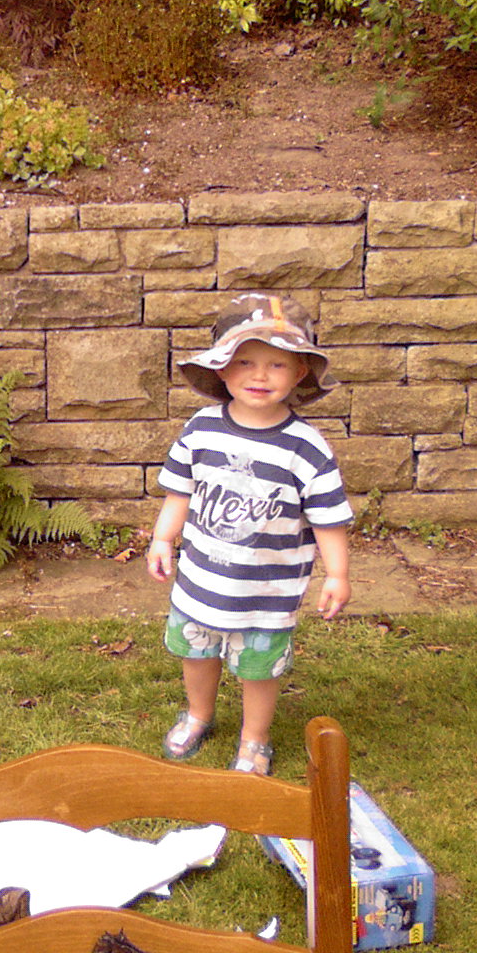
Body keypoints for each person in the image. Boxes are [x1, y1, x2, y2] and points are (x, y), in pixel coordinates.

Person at [146, 292, 353, 775]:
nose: (260, 376)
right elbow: (179, 491)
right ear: (221, 368)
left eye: (276, 365)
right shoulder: (200, 429)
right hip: (200, 582)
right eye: (246, 362)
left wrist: (337, 574)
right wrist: (162, 539)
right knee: (195, 654)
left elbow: (328, 518)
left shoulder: (305, 447)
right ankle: (198, 714)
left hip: (267, 594)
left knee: (258, 670)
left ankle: (254, 739)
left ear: (300, 372)